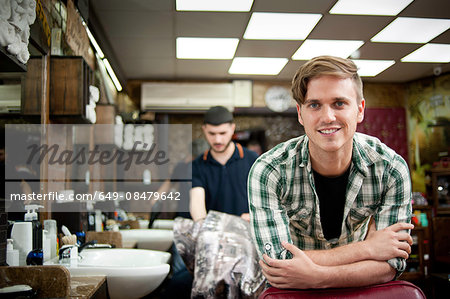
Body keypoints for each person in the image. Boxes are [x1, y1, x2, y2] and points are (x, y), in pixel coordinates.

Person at [248, 56, 413, 289]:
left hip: (360, 292)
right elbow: (277, 263)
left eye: (339, 103)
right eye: (314, 104)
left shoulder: (390, 168)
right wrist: (368, 248)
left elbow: (392, 264)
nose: (328, 117)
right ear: (300, 113)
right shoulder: (269, 170)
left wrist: (318, 277)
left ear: (360, 109)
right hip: (294, 294)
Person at [190, 106, 258, 221]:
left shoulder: (253, 160)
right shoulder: (197, 166)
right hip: (214, 236)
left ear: (232, 129)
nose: (217, 140)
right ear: (204, 130)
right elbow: (197, 203)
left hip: (246, 234)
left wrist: (256, 216)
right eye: (212, 134)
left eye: (222, 133)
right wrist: (201, 224)